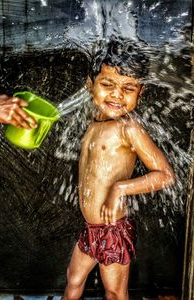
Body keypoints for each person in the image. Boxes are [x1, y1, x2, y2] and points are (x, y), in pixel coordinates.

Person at [63, 40, 175, 300]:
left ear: (141, 91)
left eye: (128, 88)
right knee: (74, 280)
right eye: (107, 84)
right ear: (90, 84)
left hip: (113, 230)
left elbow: (165, 175)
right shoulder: (93, 121)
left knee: (114, 293)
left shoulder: (129, 128)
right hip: (91, 228)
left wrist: (120, 188)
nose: (116, 95)